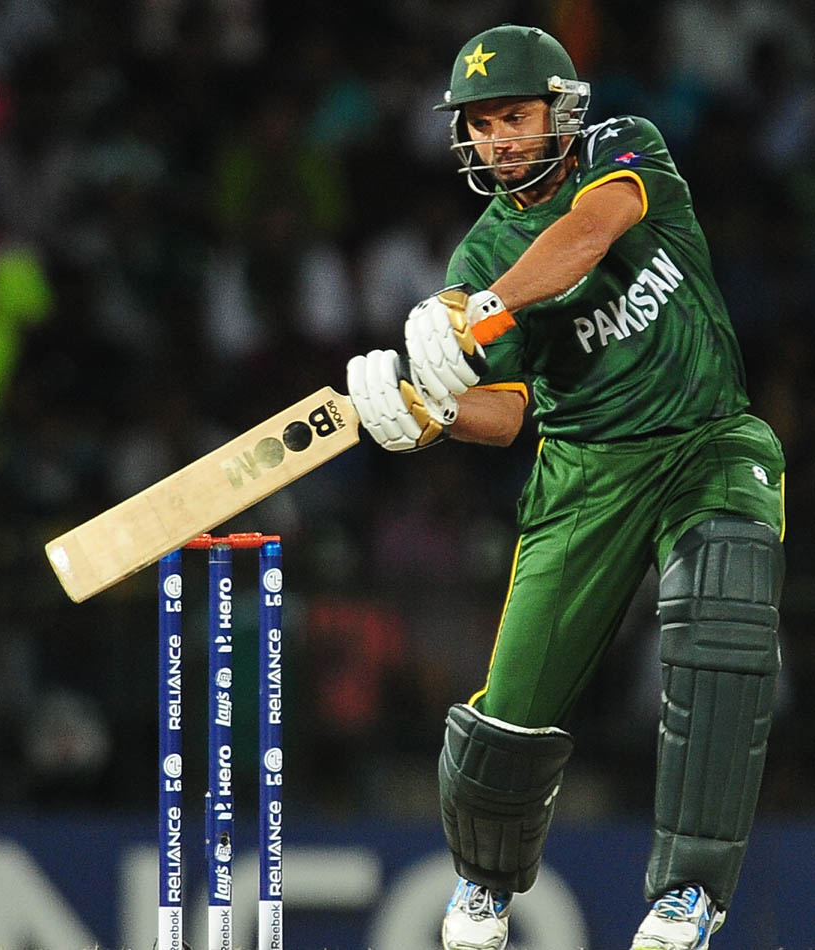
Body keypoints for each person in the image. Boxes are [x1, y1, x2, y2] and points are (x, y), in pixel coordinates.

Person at [345, 23, 785, 950]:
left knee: (725, 622)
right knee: (508, 717)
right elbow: (503, 416)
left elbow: (587, 236)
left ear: (562, 108)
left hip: (708, 441)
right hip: (584, 474)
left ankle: (688, 898)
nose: (499, 141)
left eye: (515, 116)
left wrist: (484, 313)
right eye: (481, 125)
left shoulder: (626, 150)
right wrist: (420, 415)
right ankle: (482, 889)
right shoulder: (477, 258)